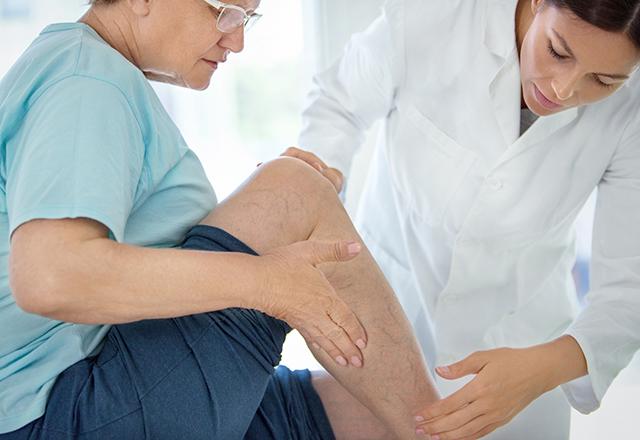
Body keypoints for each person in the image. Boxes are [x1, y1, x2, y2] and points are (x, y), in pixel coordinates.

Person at [0, 0, 442, 438]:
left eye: (247, 17)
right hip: (61, 410)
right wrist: (268, 280)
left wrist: (267, 217)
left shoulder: (82, 70)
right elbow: (51, 277)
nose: (238, 40)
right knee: (293, 188)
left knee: (377, 416)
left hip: (93, 383)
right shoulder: (87, 82)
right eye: (224, 10)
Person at [298, 0, 640, 438]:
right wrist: (320, 179)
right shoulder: (436, 16)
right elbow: (338, 104)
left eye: (604, 80)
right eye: (557, 51)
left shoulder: (632, 109)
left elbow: (627, 292)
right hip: (387, 317)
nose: (563, 89)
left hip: (524, 348)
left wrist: (542, 369)